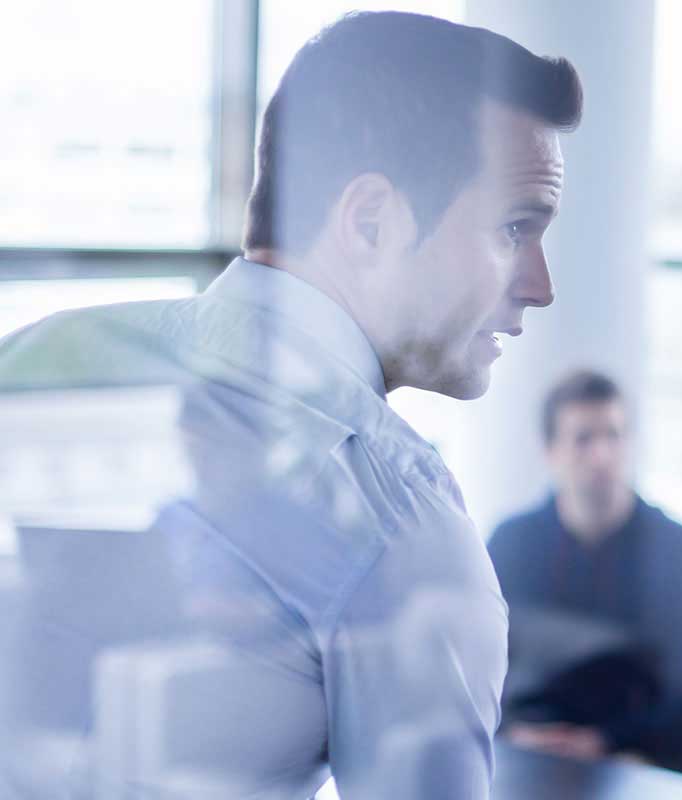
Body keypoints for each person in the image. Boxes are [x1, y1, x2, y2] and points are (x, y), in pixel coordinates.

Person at [0, 11, 581, 798]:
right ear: (370, 221)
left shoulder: (34, 359)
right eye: (514, 229)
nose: (540, 286)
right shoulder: (397, 520)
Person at [487, 370, 682, 775]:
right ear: (550, 451)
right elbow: (473, 668)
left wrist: (606, 742)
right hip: (529, 759)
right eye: (583, 439)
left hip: (645, 764)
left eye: (614, 435)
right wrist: (514, 733)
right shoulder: (510, 545)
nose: (602, 456)